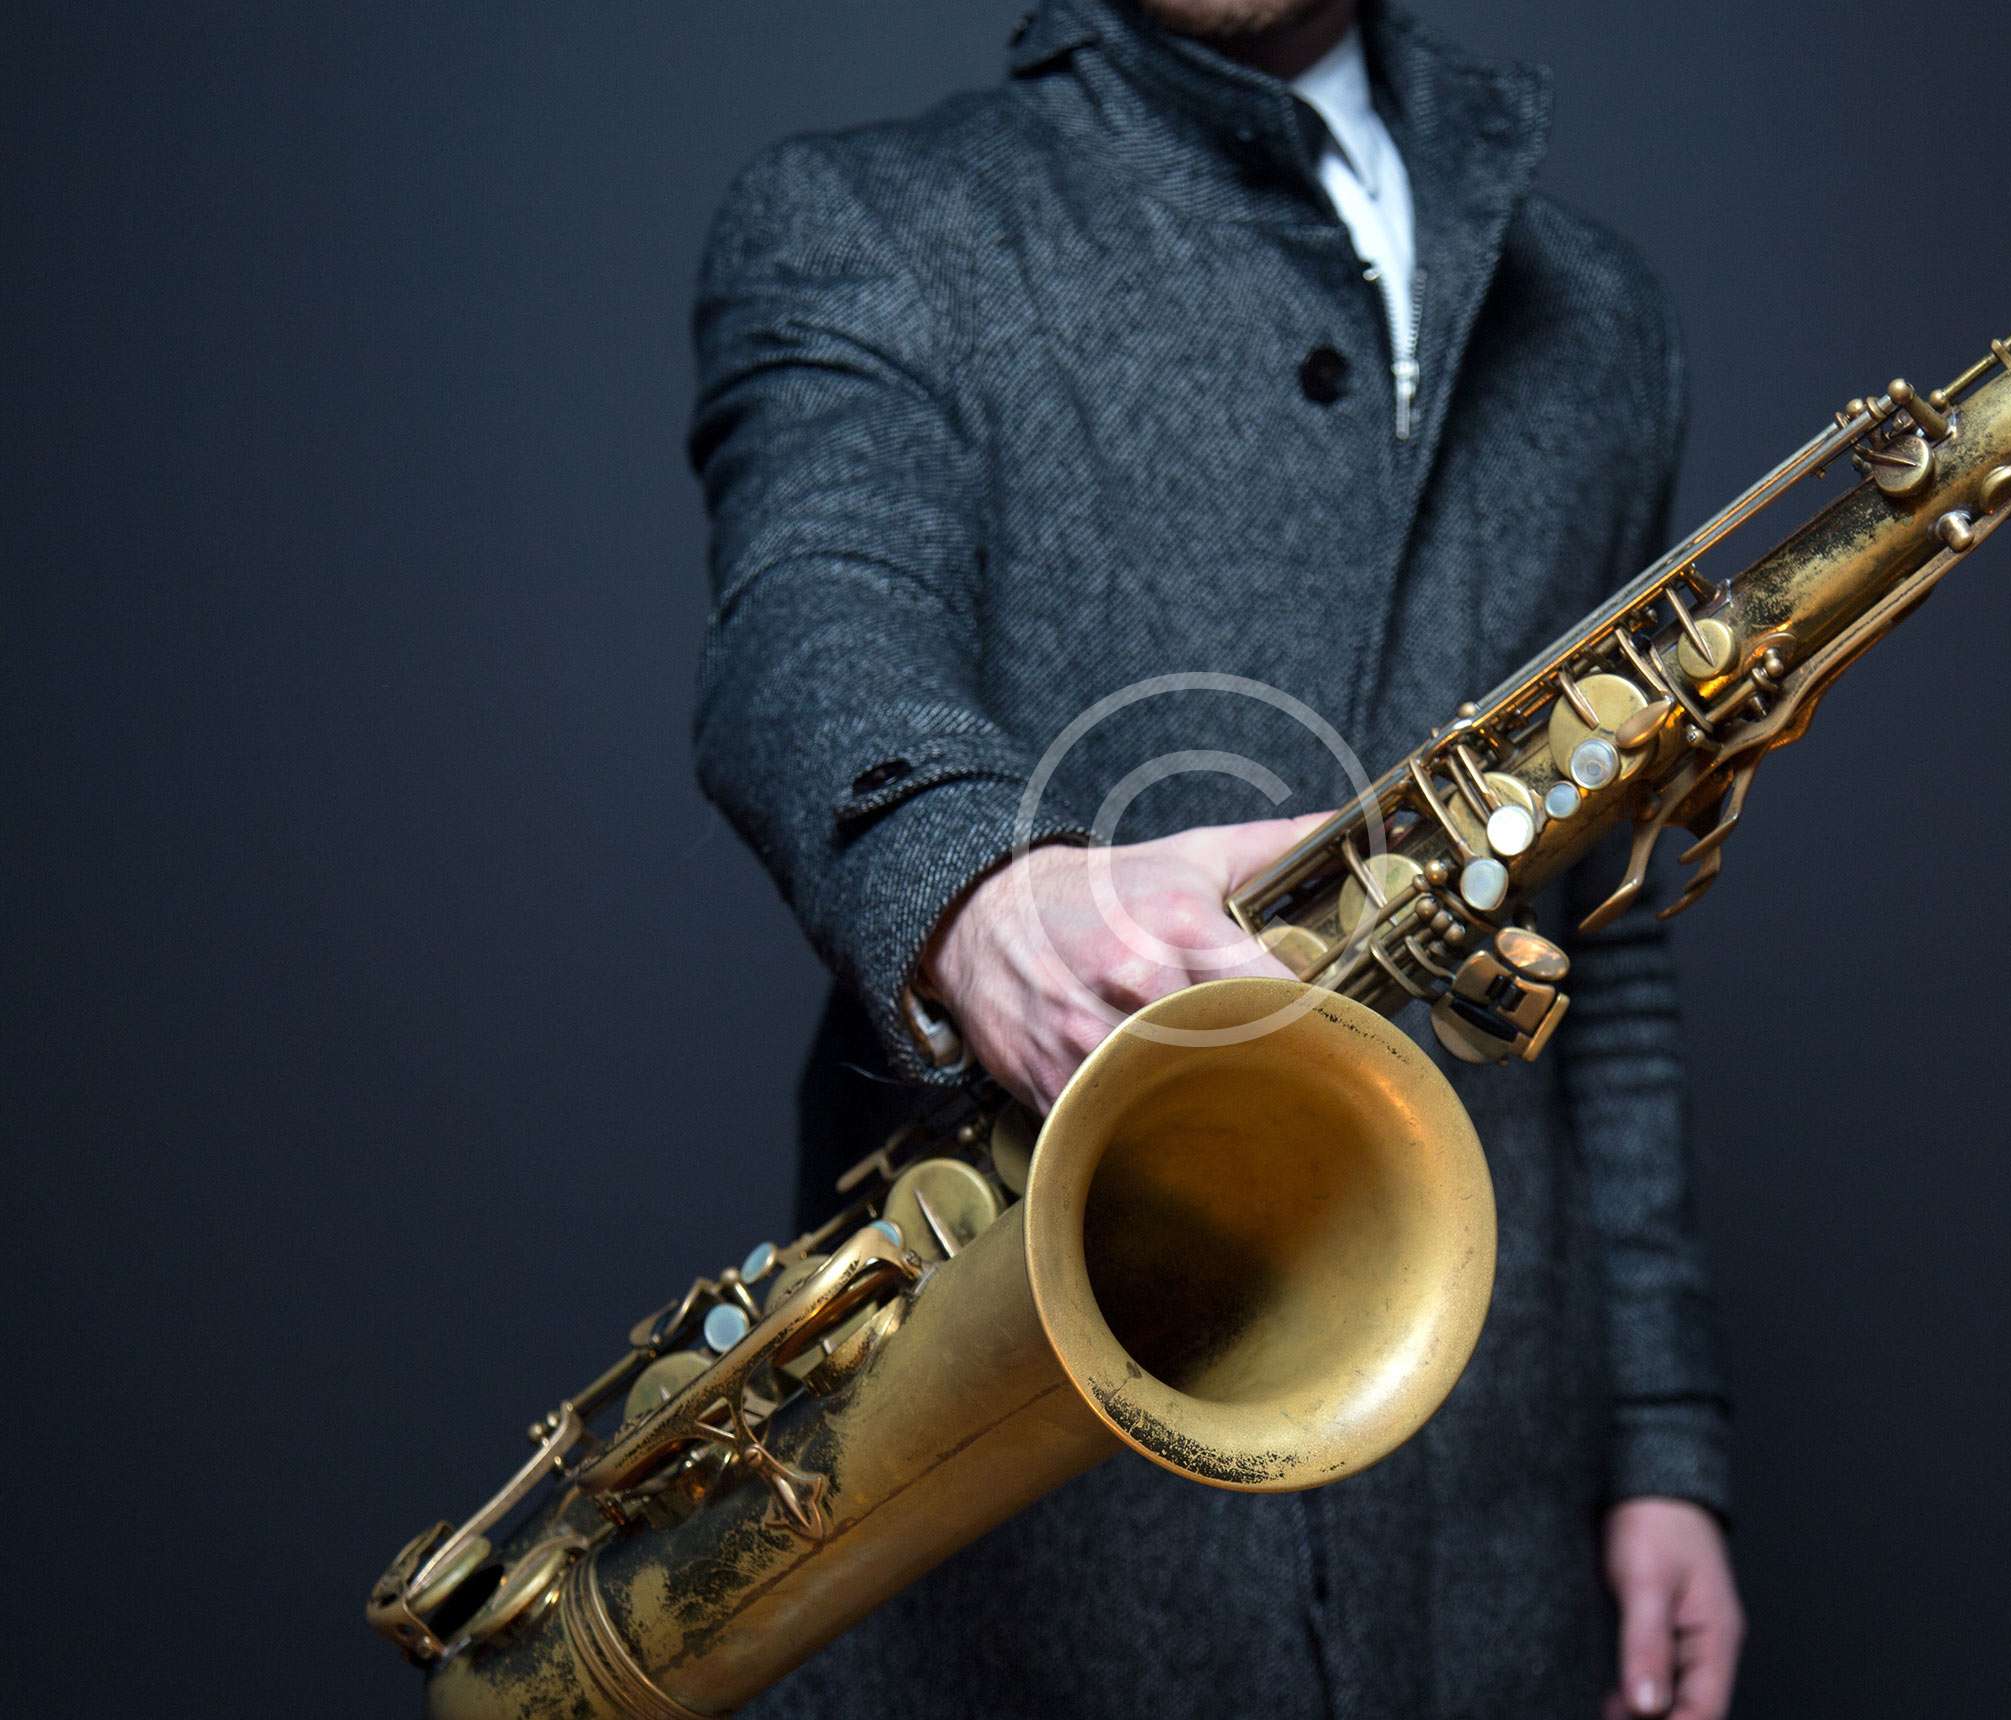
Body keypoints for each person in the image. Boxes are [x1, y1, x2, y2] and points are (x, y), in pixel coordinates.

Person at [690, 1, 1742, 1714]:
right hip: (1038, 1554)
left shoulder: (1605, 320)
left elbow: (1599, 937)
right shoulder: (865, 219)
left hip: (1498, 1523)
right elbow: (808, 620)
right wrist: (980, 893)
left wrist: (1662, 1449)